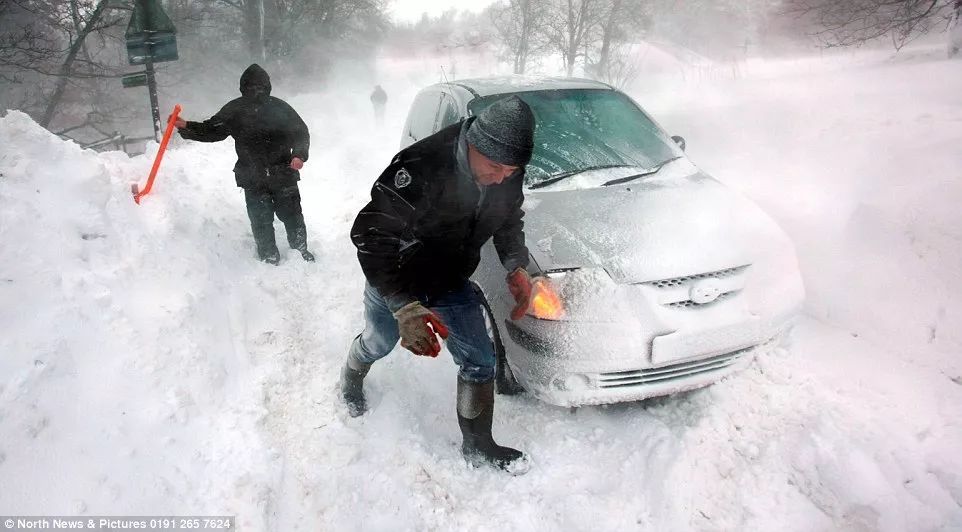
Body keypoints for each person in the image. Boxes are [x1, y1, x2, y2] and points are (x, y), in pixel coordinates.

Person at [343, 96, 536, 473]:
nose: (501, 178)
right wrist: (402, 305)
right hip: (397, 279)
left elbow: (509, 217)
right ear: (471, 142)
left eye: (510, 172)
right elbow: (369, 236)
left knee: (480, 360)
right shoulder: (420, 166)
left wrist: (516, 266)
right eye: (494, 167)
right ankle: (352, 375)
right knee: (379, 343)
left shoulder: (506, 170)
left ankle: (478, 446)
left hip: (450, 280)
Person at [173, 64, 313, 265]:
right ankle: (268, 255)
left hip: (283, 173)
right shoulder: (235, 109)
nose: (257, 90)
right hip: (252, 176)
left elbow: (300, 132)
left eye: (261, 86)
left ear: (268, 87)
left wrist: (299, 155)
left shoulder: (280, 108)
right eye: (251, 87)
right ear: (243, 88)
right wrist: (186, 126)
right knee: (261, 220)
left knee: (292, 216)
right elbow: (213, 130)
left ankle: (301, 251)